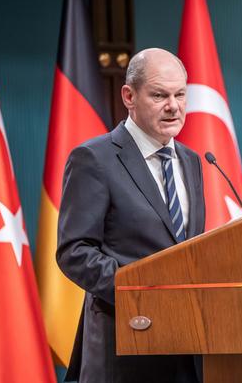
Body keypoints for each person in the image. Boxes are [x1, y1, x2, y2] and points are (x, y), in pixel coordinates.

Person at [57, 48, 205, 383]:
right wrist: (141, 291)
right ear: (129, 96)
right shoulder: (94, 159)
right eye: (159, 95)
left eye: (180, 94)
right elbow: (74, 252)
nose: (174, 106)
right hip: (124, 348)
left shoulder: (193, 160)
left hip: (187, 348)